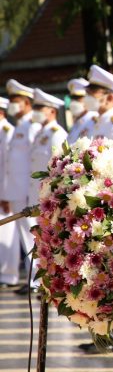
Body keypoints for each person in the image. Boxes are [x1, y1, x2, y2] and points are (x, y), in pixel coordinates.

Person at [2, 80, 42, 295]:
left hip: (28, 192)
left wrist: (31, 192)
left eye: (16, 101)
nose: (12, 106)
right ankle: (31, 278)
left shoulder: (33, 127)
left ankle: (36, 280)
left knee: (32, 236)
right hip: (17, 190)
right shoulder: (20, 127)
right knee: (25, 237)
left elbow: (34, 164)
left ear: (26, 103)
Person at [29, 89, 68, 291]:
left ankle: (39, 281)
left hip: (46, 196)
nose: (35, 112)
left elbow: (56, 167)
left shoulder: (56, 134)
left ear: (51, 112)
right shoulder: (42, 133)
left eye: (39, 108)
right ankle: (35, 280)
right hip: (35, 192)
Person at [85, 65, 113, 157]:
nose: (87, 97)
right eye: (87, 93)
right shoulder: (97, 123)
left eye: (92, 93)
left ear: (109, 98)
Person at [0, 97, 16, 289]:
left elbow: (8, 166)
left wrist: (5, 192)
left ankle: (9, 274)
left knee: (6, 232)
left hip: (5, 189)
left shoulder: (8, 132)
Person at [66, 78, 96, 143]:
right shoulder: (77, 122)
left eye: (77, 98)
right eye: (72, 98)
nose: (73, 101)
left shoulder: (94, 121)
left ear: (88, 98)